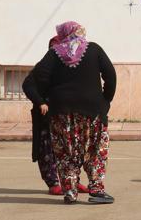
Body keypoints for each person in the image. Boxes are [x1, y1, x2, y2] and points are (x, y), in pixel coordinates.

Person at [31, 22, 117, 204]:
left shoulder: (54, 53)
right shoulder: (94, 49)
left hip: (61, 113)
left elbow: (39, 77)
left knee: (65, 152)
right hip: (92, 112)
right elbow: (110, 75)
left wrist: (48, 97)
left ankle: (70, 192)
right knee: (95, 150)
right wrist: (105, 100)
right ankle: (97, 191)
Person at [22, 36, 90, 196]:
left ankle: (73, 181)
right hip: (47, 117)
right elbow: (28, 84)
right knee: (48, 150)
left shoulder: (70, 68)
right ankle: (53, 183)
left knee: (71, 150)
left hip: (66, 116)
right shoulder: (44, 67)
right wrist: (40, 102)